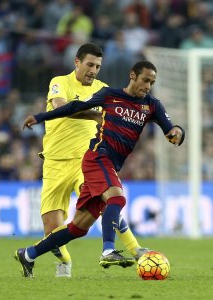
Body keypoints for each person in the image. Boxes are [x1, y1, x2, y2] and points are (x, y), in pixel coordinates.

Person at [15, 60, 185, 278]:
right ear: (132, 76)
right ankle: (108, 250)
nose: (148, 86)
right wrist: (40, 117)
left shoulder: (152, 105)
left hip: (111, 164)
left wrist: (177, 134)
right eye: (145, 80)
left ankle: (28, 254)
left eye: (152, 82)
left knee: (77, 228)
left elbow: (172, 129)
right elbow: (74, 107)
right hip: (97, 157)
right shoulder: (109, 95)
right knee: (117, 198)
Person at [26, 43, 149, 278]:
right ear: (77, 62)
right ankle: (64, 260)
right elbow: (61, 106)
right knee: (51, 231)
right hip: (54, 163)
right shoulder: (59, 82)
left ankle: (135, 250)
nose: (93, 70)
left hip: (87, 161)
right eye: (90, 64)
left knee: (107, 202)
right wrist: (95, 113)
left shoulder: (104, 90)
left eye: (98, 66)